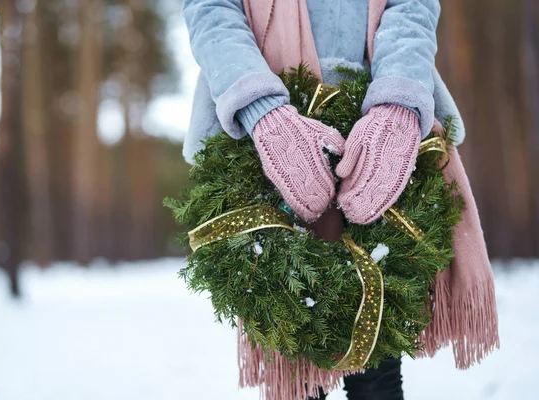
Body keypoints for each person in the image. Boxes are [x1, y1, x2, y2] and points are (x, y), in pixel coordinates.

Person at [181, 0, 469, 399]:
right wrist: (262, 110)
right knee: (296, 361)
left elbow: (412, 6)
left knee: (378, 365)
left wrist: (398, 103)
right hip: (260, 129)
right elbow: (211, 11)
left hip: (375, 118)